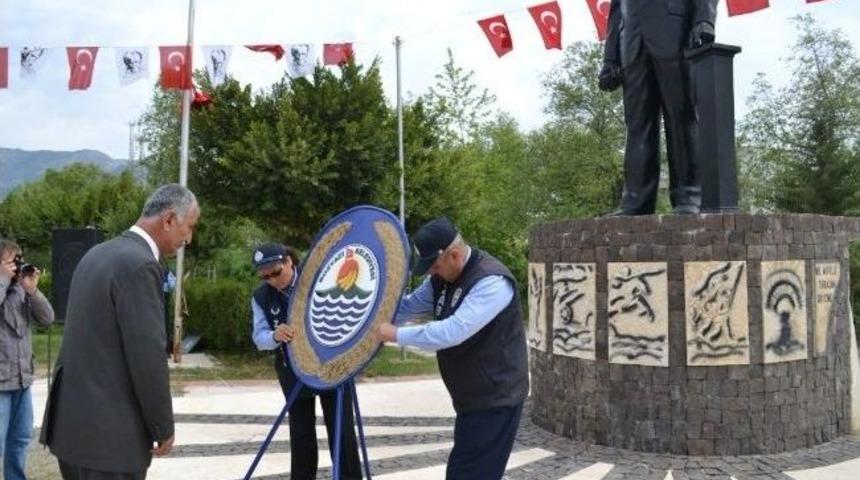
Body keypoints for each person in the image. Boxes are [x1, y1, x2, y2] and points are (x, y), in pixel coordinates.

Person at [40, 184, 200, 480]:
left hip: (72, 432)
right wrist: (162, 426)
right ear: (168, 220)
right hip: (110, 441)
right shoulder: (140, 265)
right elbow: (147, 357)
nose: (188, 238)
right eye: (188, 227)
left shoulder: (97, 254)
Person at [374, 217, 528, 480]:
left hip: (495, 399)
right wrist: (370, 316)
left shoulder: (491, 282)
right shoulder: (440, 279)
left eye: (434, 266)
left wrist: (395, 334)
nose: (431, 273)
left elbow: (452, 331)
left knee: (466, 474)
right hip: (471, 399)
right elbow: (410, 306)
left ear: (453, 255)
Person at [250, 243, 362, 480]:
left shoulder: (320, 279)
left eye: (277, 272)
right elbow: (259, 337)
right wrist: (274, 336)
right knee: (301, 436)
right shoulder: (261, 297)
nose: (272, 280)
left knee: (341, 432)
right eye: (265, 276)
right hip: (292, 371)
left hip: (332, 367)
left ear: (290, 261)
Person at [598, 0, 718, 215]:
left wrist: (704, 20)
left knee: (681, 116)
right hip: (632, 40)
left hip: (676, 32)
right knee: (637, 124)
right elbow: (616, 11)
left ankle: (689, 195)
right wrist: (610, 57)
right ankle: (636, 200)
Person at [1, 240, 54, 480]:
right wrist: (2, 280)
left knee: (20, 440)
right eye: (12, 260)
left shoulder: (21, 289)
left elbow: (48, 319)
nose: (17, 266)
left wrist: (32, 291)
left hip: (22, 380)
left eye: (19, 259)